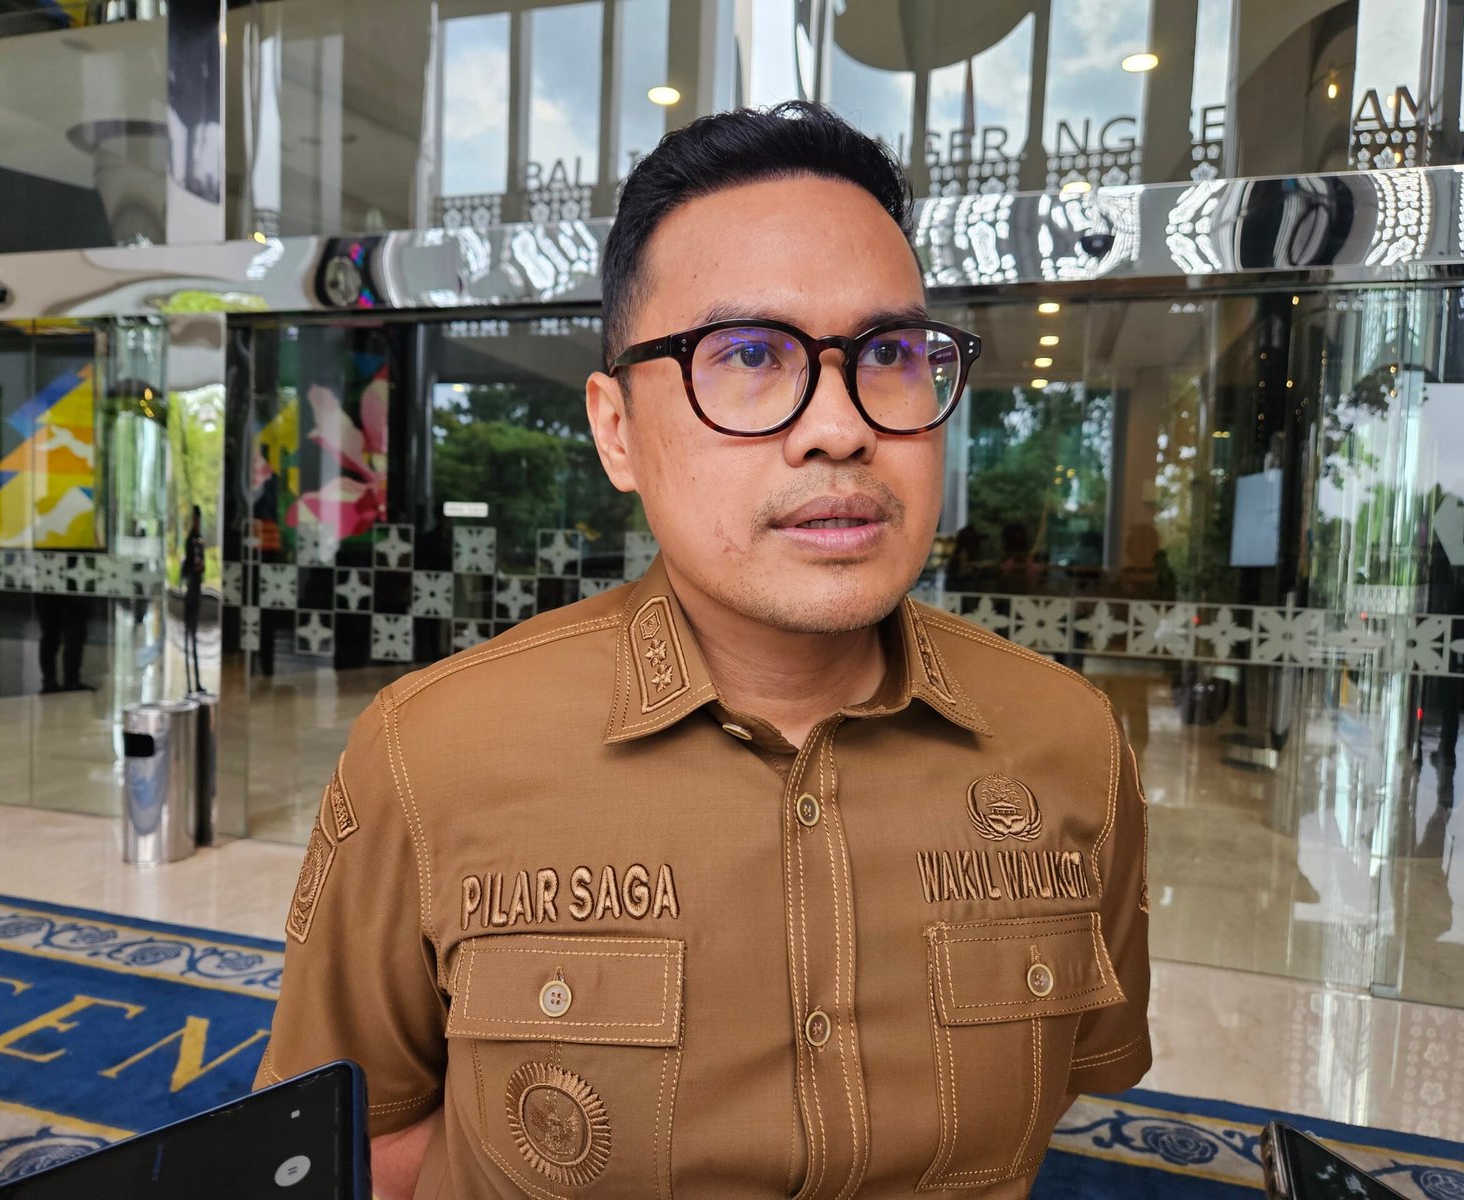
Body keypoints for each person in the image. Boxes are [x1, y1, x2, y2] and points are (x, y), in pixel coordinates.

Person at [258, 101, 1150, 1199]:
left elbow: (1075, 1079)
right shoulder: (430, 752)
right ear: (616, 430)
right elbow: (370, 1148)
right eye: (749, 354)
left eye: (889, 352)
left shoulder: (1069, 745)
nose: (840, 426)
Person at [182, 504, 205, 694]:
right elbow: (192, 565)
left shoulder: (198, 539)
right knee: (189, 636)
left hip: (195, 589)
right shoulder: (192, 540)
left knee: (193, 637)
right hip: (191, 590)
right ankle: (190, 683)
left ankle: (194, 682)